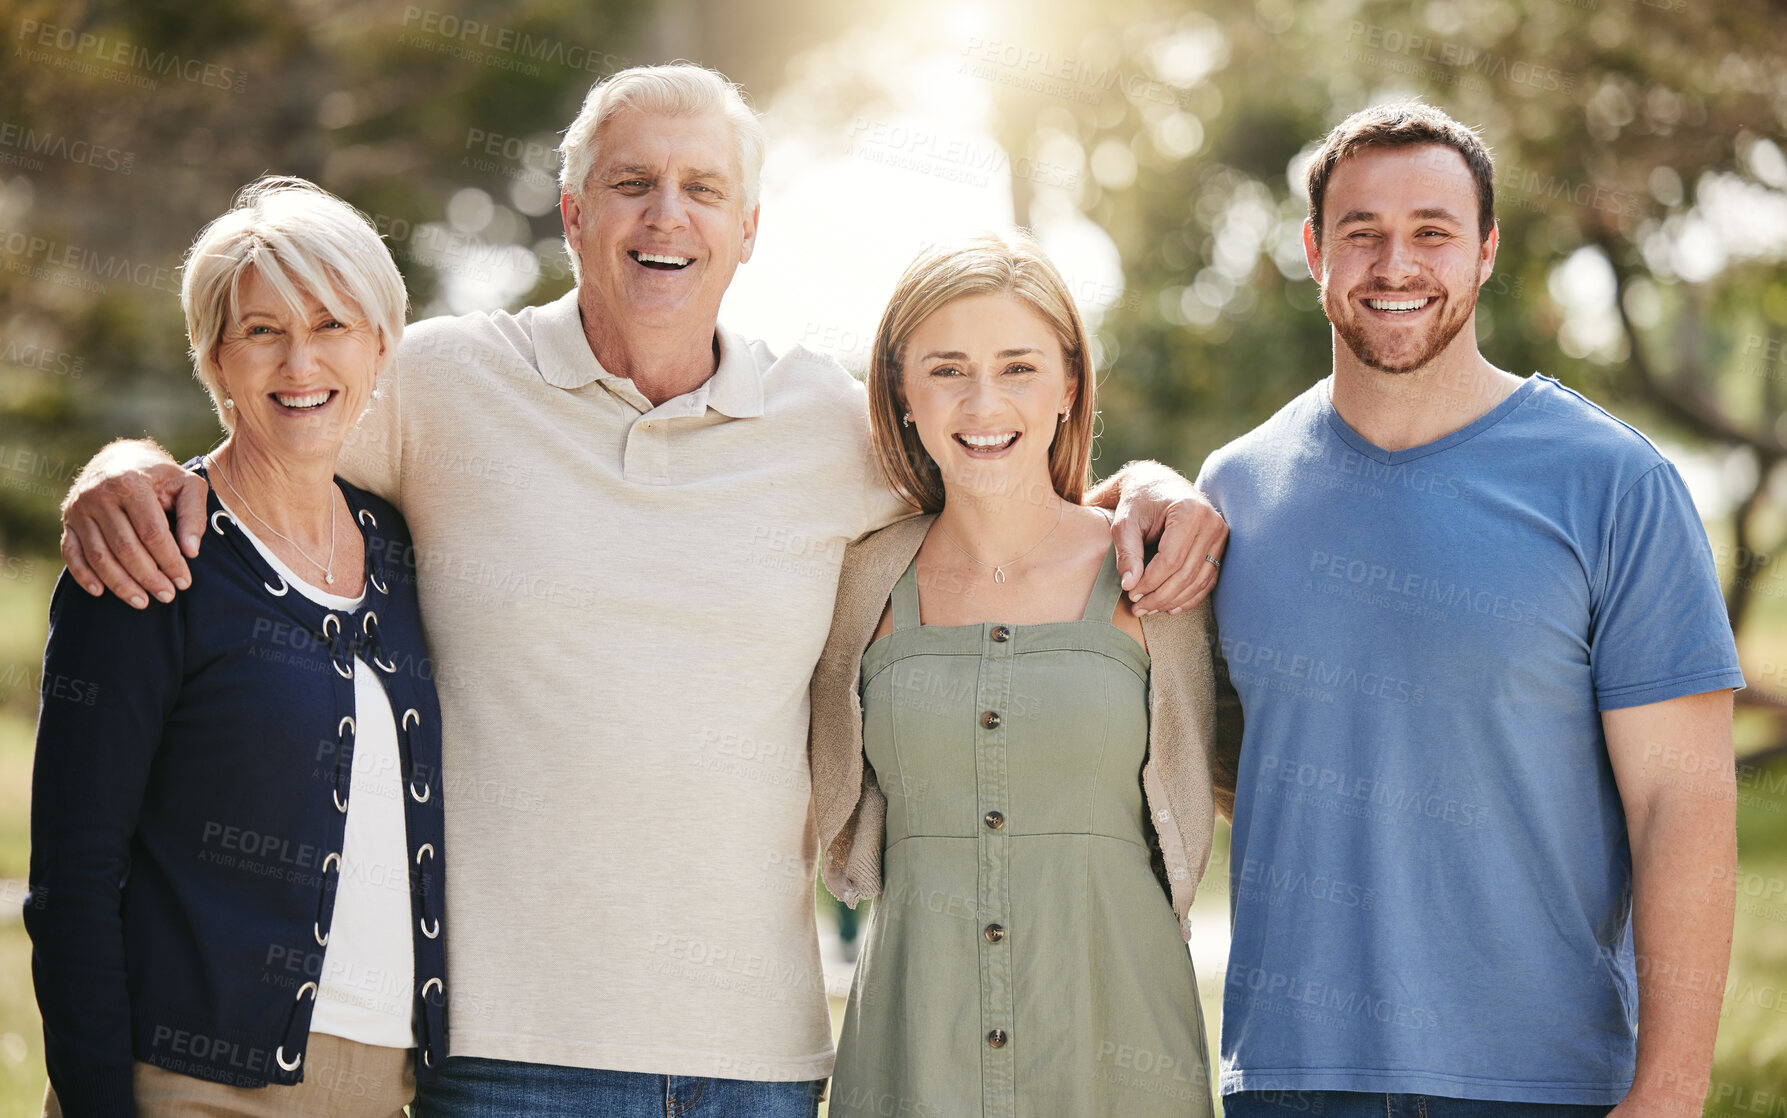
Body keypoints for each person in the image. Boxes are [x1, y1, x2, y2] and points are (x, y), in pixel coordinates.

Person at [54, 65, 1228, 1117]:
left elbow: (997, 466)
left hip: (759, 1058)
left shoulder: (827, 424)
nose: (667, 215)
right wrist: (125, 464)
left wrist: (1147, 486)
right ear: (572, 214)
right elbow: (271, 418)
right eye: (631, 183)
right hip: (505, 1056)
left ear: (749, 229)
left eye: (702, 188)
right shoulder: (445, 386)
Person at [1199, 102, 1743, 1117]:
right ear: (1313, 250)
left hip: (1540, 1082)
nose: (1392, 264)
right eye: (1359, 231)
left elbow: (1683, 803)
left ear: (1484, 250)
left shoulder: (1611, 483)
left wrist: (1669, 1092)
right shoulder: (1233, 490)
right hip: (1289, 1077)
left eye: (1430, 232)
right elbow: (1232, 763)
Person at [27, 178, 445, 1117]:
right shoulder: (150, 558)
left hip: (386, 1091)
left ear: (381, 345)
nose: (301, 361)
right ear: (213, 358)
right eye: (261, 330)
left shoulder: (401, 551)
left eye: (333, 323)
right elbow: (73, 881)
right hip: (188, 1088)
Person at [809, 233, 1221, 1117]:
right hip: (912, 1052)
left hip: (1122, 1052)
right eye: (947, 369)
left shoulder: (1160, 579)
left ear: (1070, 385)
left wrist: (1155, 481)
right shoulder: (855, 584)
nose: (983, 400)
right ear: (902, 394)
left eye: (1019, 367)